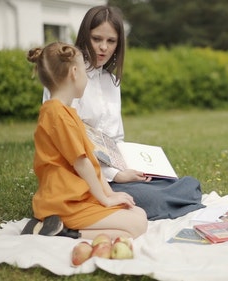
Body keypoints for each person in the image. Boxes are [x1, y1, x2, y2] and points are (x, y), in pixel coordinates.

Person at [43, 5, 205, 220]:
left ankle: (169, 194)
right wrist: (116, 175)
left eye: (111, 41)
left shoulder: (111, 82)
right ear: (84, 37)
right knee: (156, 198)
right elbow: (70, 147)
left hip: (112, 172)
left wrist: (130, 168)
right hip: (82, 176)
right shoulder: (67, 78)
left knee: (182, 184)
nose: (103, 47)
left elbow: (115, 138)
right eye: (96, 39)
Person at [22, 42, 147, 240]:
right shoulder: (56, 114)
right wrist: (105, 199)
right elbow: (82, 163)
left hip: (78, 196)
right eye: (85, 72)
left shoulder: (67, 113)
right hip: (64, 202)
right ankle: (65, 231)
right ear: (74, 72)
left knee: (139, 216)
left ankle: (60, 228)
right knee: (137, 225)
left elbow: (93, 161)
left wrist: (111, 195)